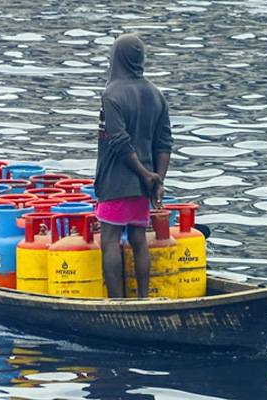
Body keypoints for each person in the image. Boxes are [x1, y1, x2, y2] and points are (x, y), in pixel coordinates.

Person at [94, 33, 173, 298]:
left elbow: (118, 141)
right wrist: (156, 180)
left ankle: (116, 304)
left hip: (118, 181)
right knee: (139, 240)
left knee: (110, 240)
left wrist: (144, 174)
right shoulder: (156, 94)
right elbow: (164, 143)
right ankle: (142, 300)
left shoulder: (112, 94)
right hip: (144, 185)